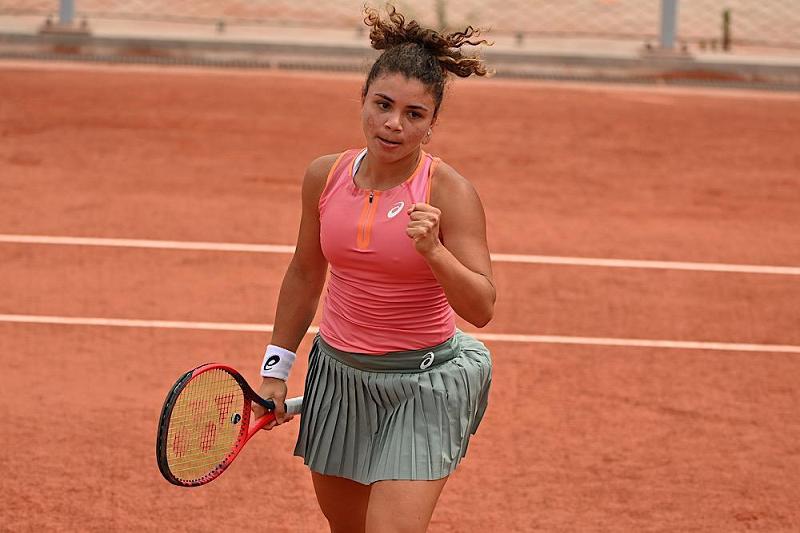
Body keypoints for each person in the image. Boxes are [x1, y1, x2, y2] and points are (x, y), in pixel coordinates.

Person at [252, 6, 495, 532]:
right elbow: (304, 274)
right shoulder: (325, 176)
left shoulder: (449, 192)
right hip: (339, 380)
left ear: (432, 124)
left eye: (414, 114)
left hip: (424, 386)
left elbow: (481, 307)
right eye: (383, 104)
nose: (394, 124)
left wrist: (434, 252)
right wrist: (274, 372)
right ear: (362, 99)